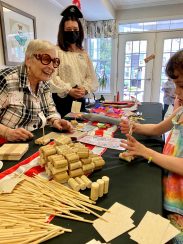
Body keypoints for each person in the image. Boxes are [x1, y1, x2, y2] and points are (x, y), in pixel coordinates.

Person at [120, 49, 183, 242]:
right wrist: (135, 126)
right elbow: (157, 128)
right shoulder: (181, 110)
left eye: (181, 85)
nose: (177, 93)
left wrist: (146, 152)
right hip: (171, 188)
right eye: (175, 85)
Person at [0, 39, 73, 142]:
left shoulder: (44, 81)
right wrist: (7, 132)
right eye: (46, 59)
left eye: (55, 61)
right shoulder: (6, 79)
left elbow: (50, 110)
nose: (51, 67)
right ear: (28, 60)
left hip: (35, 139)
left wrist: (55, 120)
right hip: (7, 145)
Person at [50, 5, 99, 118]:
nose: (72, 32)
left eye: (75, 29)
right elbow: (52, 77)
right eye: (68, 30)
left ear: (80, 31)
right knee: (63, 132)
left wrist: (84, 89)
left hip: (79, 100)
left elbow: (90, 76)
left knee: (80, 129)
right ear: (63, 31)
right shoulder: (56, 51)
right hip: (62, 101)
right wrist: (69, 90)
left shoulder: (83, 53)